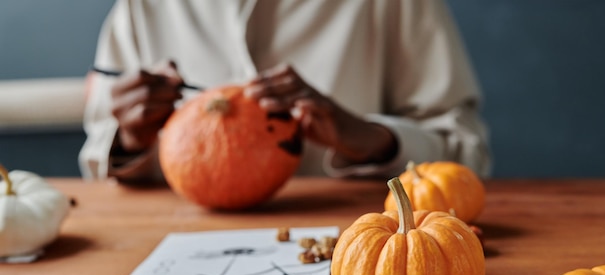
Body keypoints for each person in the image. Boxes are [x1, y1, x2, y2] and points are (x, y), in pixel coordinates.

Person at [79, 0, 491, 183]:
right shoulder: (140, 8)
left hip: (354, 251)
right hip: (170, 256)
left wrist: (371, 140)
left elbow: (467, 155)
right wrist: (129, 140)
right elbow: (97, 158)